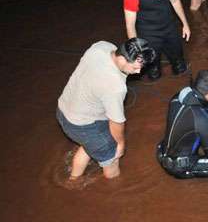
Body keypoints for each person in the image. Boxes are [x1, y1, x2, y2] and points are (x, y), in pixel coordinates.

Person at [56, 38, 156, 181]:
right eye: (135, 67)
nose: (139, 71)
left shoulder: (101, 47)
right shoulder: (115, 87)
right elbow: (117, 122)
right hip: (83, 125)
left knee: (90, 144)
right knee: (112, 157)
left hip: (64, 111)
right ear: (122, 58)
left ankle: (73, 180)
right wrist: (120, 146)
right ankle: (114, 189)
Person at [156, 70, 208, 179]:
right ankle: (187, 170)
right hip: (179, 166)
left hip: (161, 152)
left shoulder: (178, 97)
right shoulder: (201, 118)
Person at [123, 0, 191, 81]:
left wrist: (185, 24)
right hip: (149, 33)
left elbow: (175, 1)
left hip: (169, 27)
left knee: (180, 65)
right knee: (154, 73)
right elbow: (130, 25)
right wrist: (136, 49)